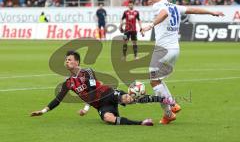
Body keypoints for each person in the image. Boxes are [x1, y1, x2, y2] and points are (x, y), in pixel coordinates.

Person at [141, 0, 224, 124]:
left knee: (154, 80)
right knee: (158, 80)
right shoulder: (175, 6)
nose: (150, 0)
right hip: (175, 49)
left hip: (163, 49)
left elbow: (163, 13)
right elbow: (193, 9)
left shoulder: (159, 6)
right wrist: (211, 12)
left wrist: (150, 25)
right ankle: (168, 115)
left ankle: (172, 104)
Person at [31, 51, 168, 126]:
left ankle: (164, 99)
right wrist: (43, 111)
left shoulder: (88, 72)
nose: (67, 61)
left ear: (77, 62)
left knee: (130, 99)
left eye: (69, 59)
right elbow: (58, 99)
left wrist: (85, 109)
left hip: (108, 94)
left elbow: (92, 91)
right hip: (101, 106)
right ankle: (142, 123)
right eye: (66, 60)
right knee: (108, 118)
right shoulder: (69, 83)